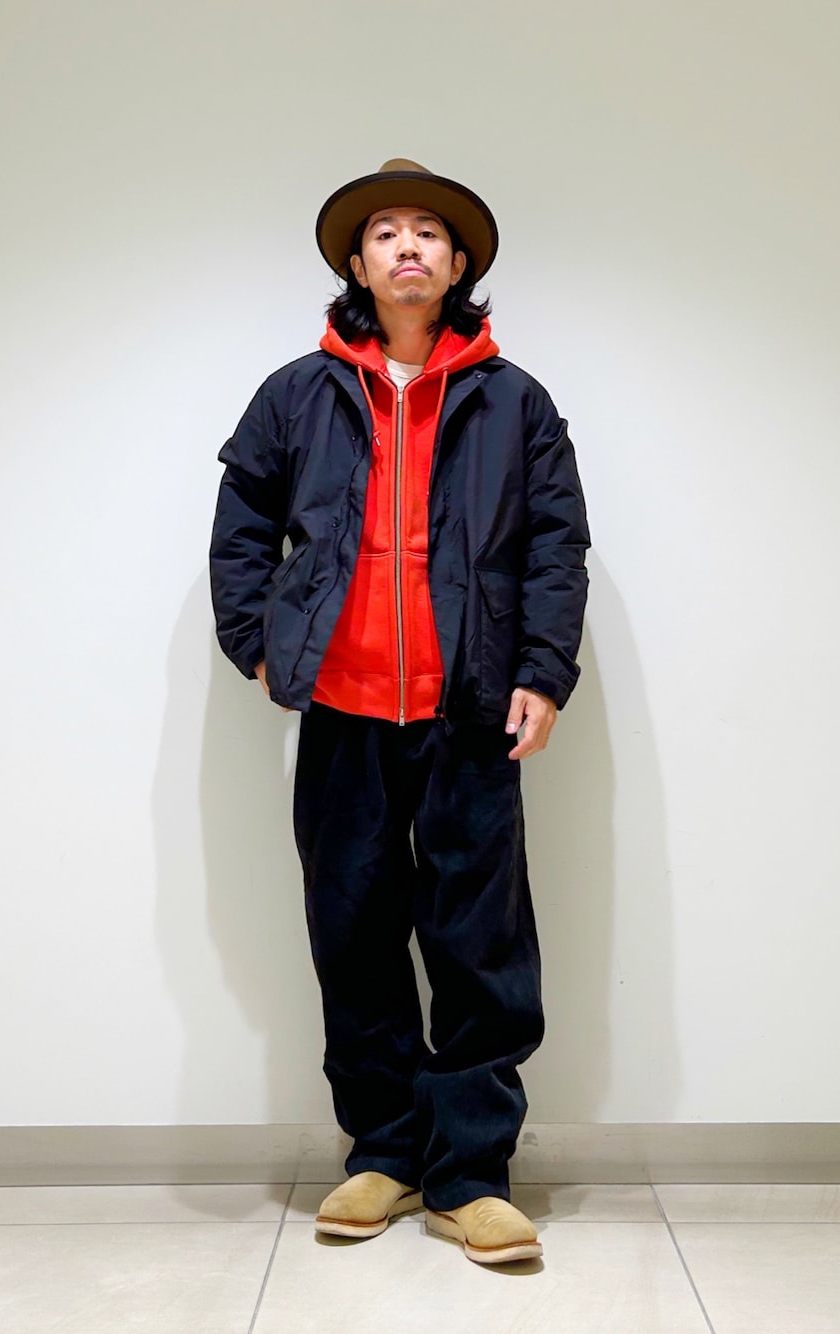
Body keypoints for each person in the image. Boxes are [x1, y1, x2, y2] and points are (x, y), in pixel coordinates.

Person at [210, 158, 590, 1265]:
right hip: (343, 708)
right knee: (355, 934)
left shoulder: (514, 400)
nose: (408, 246)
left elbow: (555, 546)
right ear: (358, 263)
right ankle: (383, 1151)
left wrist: (541, 672)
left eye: (429, 231)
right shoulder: (297, 393)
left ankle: (471, 1174)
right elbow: (242, 522)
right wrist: (257, 642)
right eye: (386, 232)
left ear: (458, 263)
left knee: (479, 944)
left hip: (471, 709)